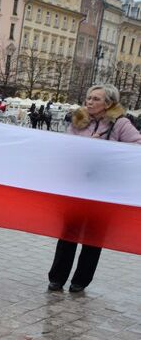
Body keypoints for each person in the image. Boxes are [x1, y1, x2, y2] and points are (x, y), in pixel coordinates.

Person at [47, 84, 141, 293]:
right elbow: (67, 148)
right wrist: (88, 144)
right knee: (68, 235)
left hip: (104, 190)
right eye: (89, 98)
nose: (89, 102)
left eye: (96, 99)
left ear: (109, 103)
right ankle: (57, 277)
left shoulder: (120, 124)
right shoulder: (79, 121)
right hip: (77, 187)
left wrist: (108, 149)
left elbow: (136, 147)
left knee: (93, 237)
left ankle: (80, 281)